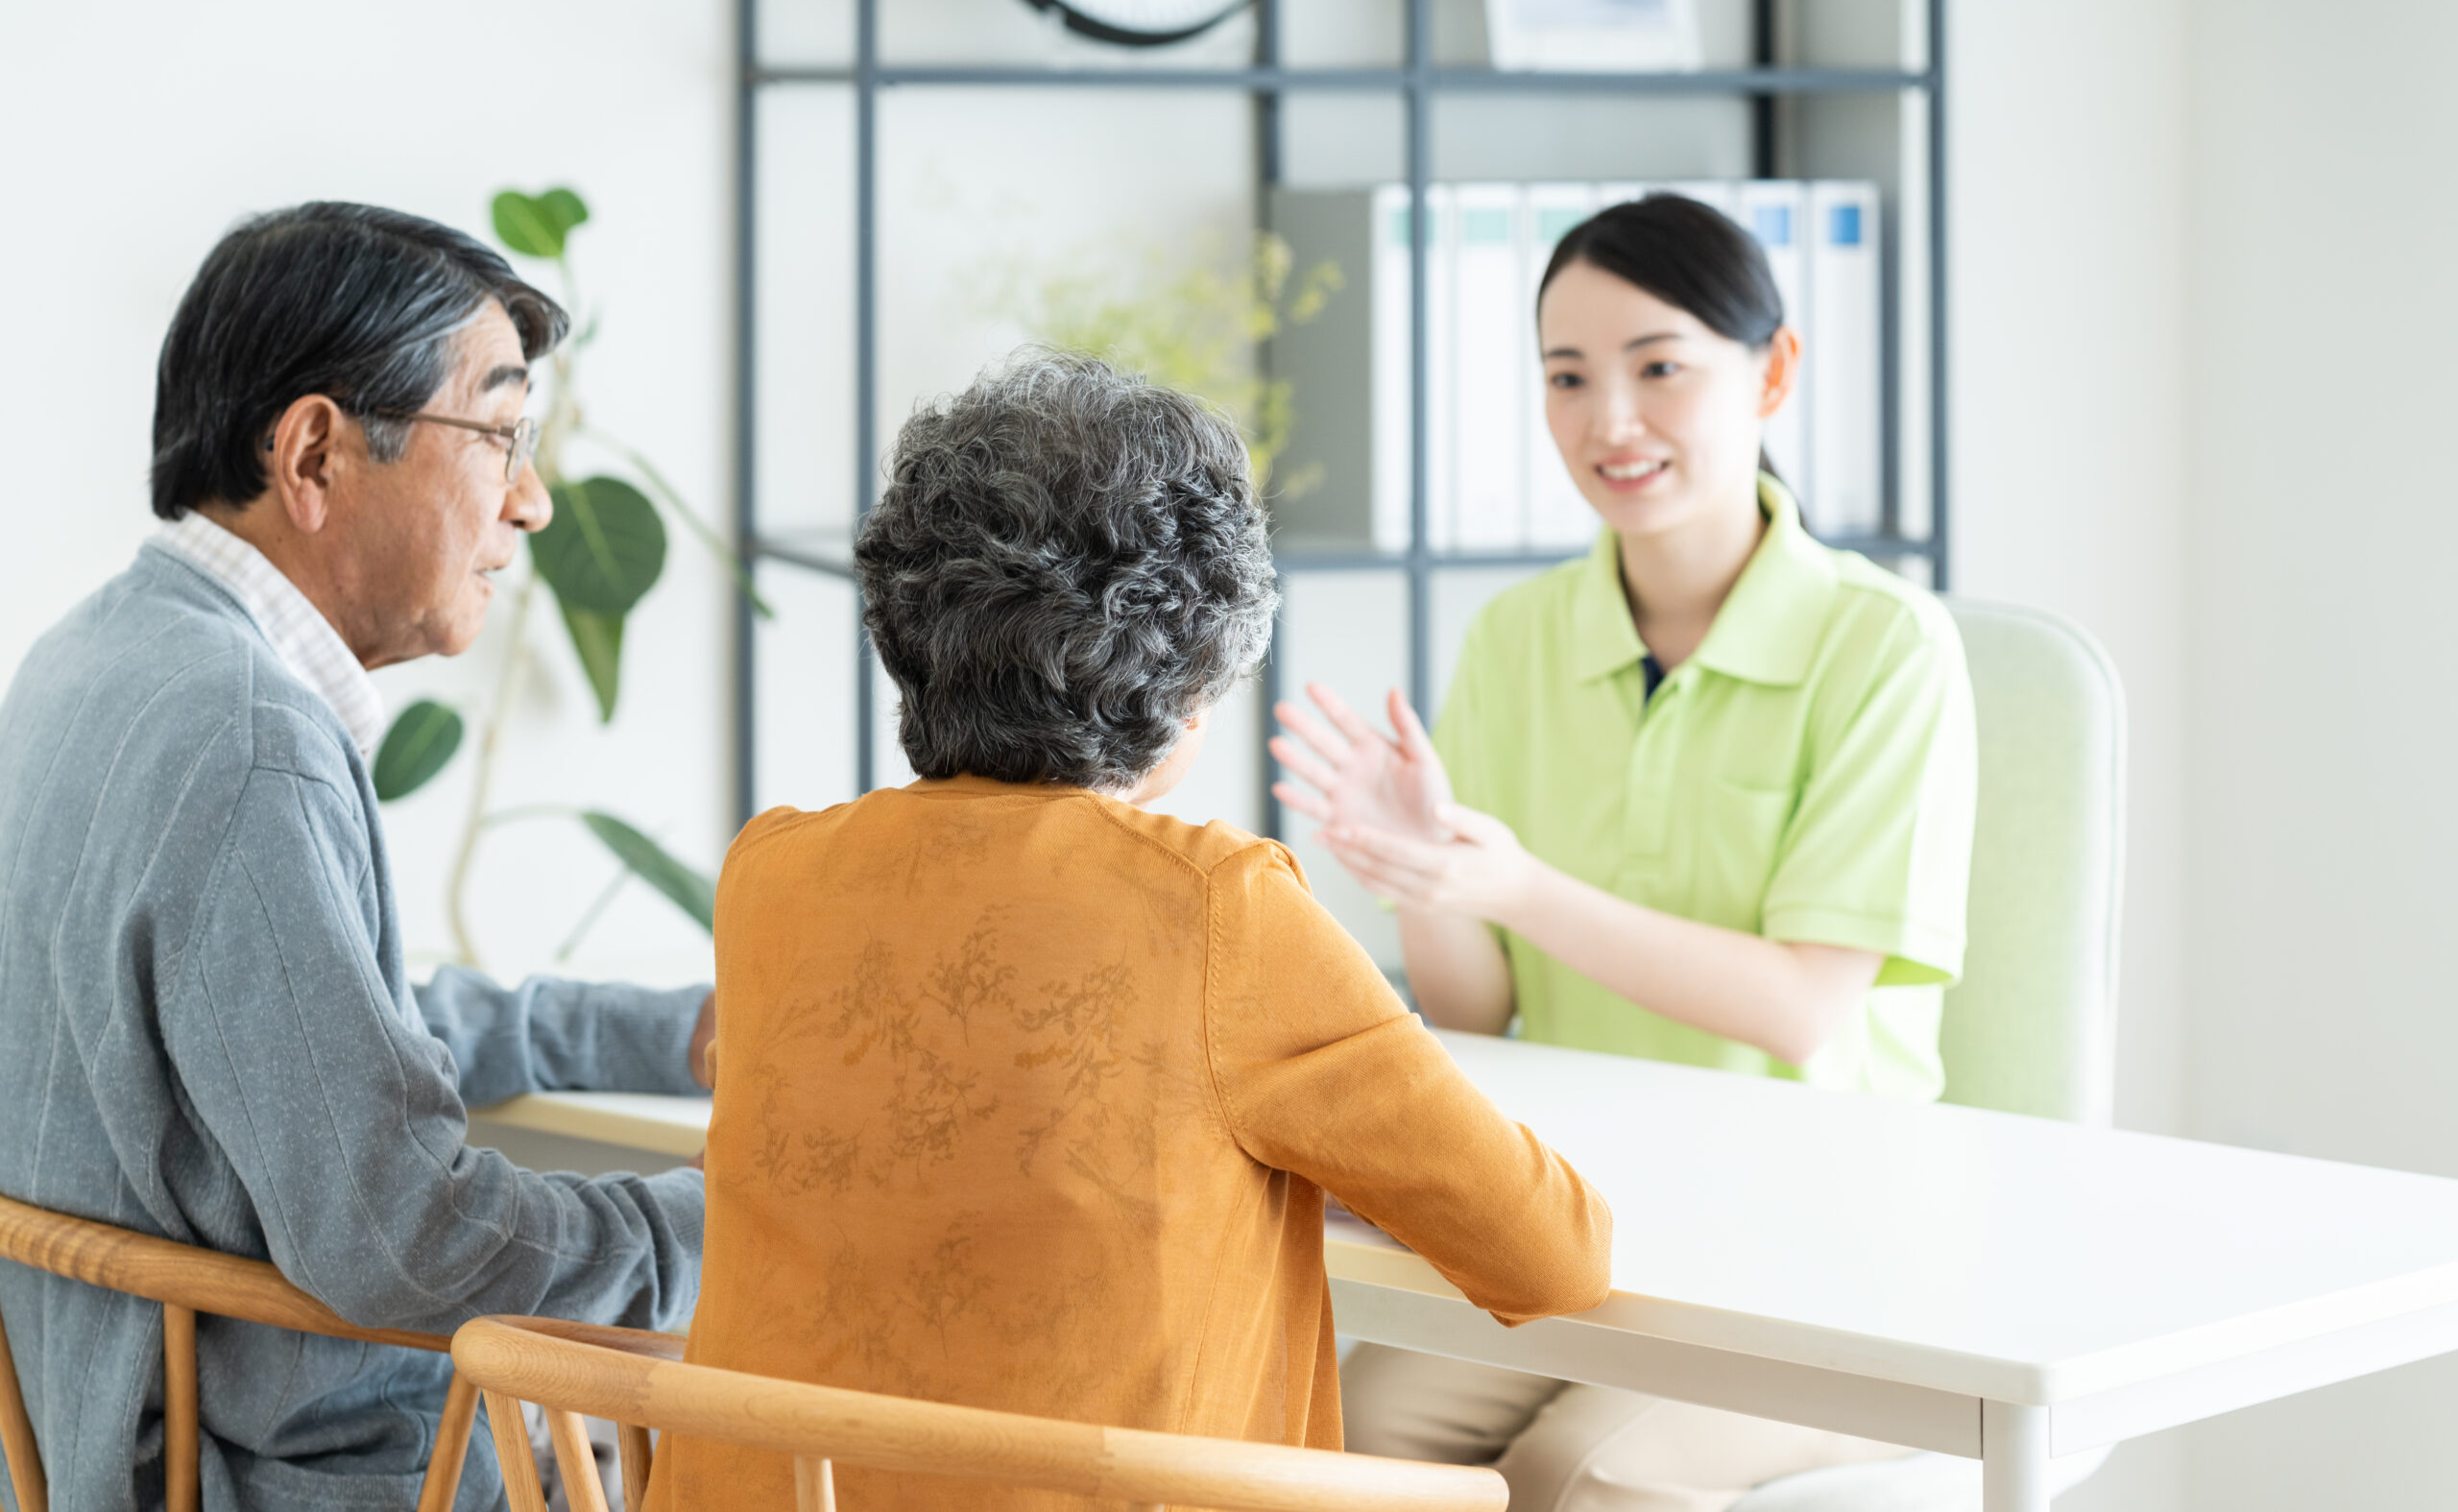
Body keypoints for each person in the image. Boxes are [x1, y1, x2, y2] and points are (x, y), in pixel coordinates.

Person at [644, 350, 1613, 1512]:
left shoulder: (773, 876)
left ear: (902, 629)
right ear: (1197, 668)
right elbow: (1550, 1254)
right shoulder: (1219, 906)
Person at [0, 204, 715, 1512]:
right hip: (268, 1476)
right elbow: (406, 1235)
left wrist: (674, 1034)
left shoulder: (95, 655)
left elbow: (301, 1025)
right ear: (318, 452)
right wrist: (724, 1218)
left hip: (87, 1435)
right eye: (500, 432)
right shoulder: (248, 734)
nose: (534, 499)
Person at [1273, 194, 1978, 1512]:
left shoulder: (1885, 647)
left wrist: (1517, 882)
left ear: (1771, 370)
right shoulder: (1517, 637)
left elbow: (1803, 1002)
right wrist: (1427, 878)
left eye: (1661, 367)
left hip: (1820, 1244)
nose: (1611, 421)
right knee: (1333, 1443)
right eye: (1568, 377)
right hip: (1581, 1224)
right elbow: (1484, 1010)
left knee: (1586, 1471)